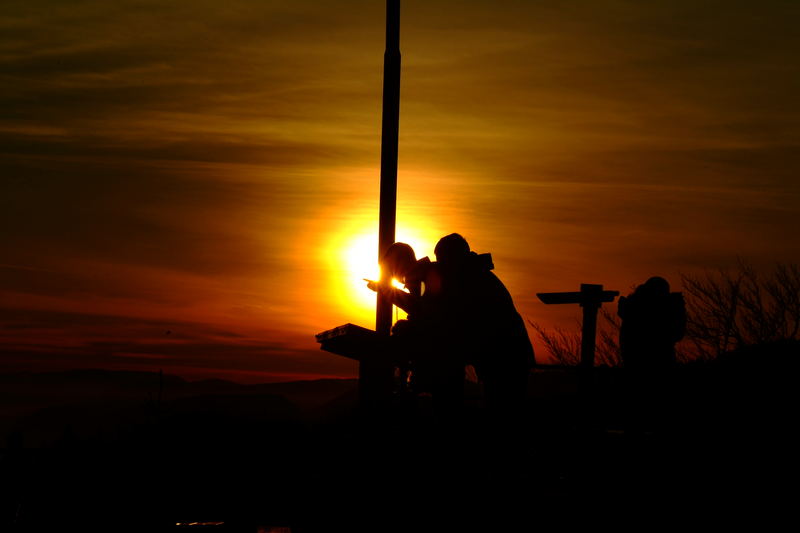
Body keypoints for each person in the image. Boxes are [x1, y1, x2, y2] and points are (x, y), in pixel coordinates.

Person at [433, 233, 535, 416]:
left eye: (441, 260)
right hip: (509, 357)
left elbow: (462, 322)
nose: (439, 266)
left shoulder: (472, 282)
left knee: (502, 412)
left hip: (506, 359)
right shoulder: (477, 276)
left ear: (452, 258)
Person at [617, 276, 686, 434]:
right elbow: (676, 333)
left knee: (639, 412)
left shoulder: (632, 309)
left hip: (635, 366)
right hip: (658, 366)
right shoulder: (652, 312)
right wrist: (677, 308)